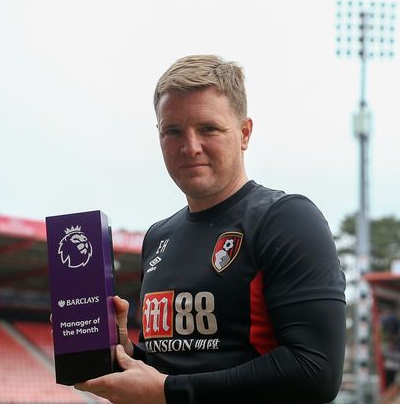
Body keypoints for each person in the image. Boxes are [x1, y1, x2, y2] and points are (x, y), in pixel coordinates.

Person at [75, 55, 347, 403]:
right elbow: (173, 369)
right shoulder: (158, 237)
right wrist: (124, 351)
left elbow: (316, 372)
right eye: (172, 131)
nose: (190, 146)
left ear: (245, 132)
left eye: (208, 129)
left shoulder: (286, 219)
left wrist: (165, 392)